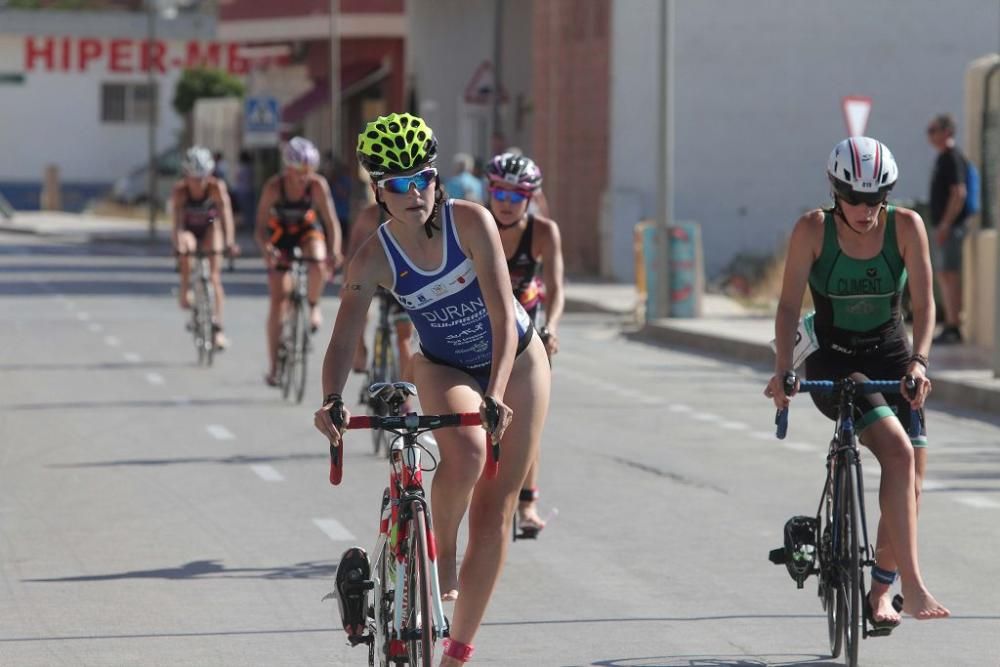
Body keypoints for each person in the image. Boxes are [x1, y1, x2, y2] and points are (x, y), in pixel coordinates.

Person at [313, 112, 550, 665]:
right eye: (398, 184)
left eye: (422, 178)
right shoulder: (373, 256)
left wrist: (496, 395)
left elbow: (498, 315)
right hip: (443, 365)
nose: (414, 191)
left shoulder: (470, 222)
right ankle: (439, 554)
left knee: (495, 510)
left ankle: (457, 653)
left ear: (436, 177)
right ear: (379, 191)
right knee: (465, 454)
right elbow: (344, 339)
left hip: (514, 361)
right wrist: (331, 399)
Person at [766, 137, 950, 627]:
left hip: (894, 357)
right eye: (855, 199)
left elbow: (926, 306)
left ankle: (880, 593)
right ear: (835, 191)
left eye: (876, 199)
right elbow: (787, 307)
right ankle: (913, 586)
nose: (866, 210)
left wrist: (920, 362)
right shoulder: (812, 230)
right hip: (836, 360)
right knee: (897, 450)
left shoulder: (906, 227)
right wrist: (785, 366)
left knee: (911, 482)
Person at [485, 152, 565, 536]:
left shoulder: (544, 232)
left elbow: (558, 290)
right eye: (499, 192)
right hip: (481, 325)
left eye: (516, 196)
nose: (505, 202)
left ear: (530, 199)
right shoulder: (475, 225)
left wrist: (550, 327)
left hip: (527, 327)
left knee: (527, 419)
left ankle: (527, 504)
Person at [255, 136, 343, 386]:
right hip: (280, 233)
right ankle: (274, 367)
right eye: (298, 172)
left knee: (317, 259)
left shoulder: (317, 185)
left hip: (306, 229)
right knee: (278, 299)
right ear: (288, 169)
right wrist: (267, 249)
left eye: (308, 171)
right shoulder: (274, 187)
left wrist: (334, 250)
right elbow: (260, 227)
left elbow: (331, 222)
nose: (304, 177)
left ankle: (313, 305)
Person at [171, 146, 237, 349]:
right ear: (187, 175)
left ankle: (217, 328)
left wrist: (230, 242)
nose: (199, 183)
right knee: (186, 247)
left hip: (210, 229)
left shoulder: (216, 187)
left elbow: (226, 216)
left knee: (215, 277)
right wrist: (178, 244)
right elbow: (177, 224)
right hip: (189, 228)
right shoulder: (180, 191)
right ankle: (184, 289)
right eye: (194, 178)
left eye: (203, 177)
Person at [346, 200, 415, 394]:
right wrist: (348, 285)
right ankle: (360, 351)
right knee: (355, 309)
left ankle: (405, 397)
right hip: (375, 278)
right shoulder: (370, 215)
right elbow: (352, 254)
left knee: (403, 337)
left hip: (403, 281)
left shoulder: (414, 213)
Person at [926, 113, 969, 344]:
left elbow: (958, 192)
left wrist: (945, 224)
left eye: (934, 130)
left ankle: (954, 325)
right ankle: (951, 323)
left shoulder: (952, 158)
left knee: (949, 274)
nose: (930, 135)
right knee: (944, 274)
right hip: (944, 227)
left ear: (946, 132)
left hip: (949, 228)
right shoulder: (943, 158)